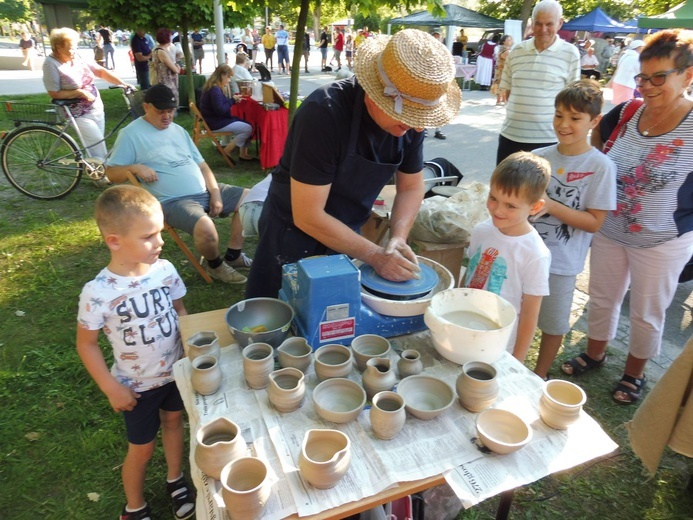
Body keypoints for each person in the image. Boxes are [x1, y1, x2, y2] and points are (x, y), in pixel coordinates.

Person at [245, 29, 461, 298]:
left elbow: (411, 186)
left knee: (335, 316)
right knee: (282, 313)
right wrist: (374, 254)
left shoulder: (411, 126)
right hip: (291, 231)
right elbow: (308, 215)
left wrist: (397, 238)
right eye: (407, 114)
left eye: (422, 116)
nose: (417, 126)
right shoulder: (324, 113)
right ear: (374, 95)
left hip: (347, 233)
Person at [561, 30, 693, 405]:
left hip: (663, 240)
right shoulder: (625, 112)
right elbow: (597, 157)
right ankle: (595, 352)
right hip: (610, 229)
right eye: (642, 77)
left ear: (688, 76)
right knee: (603, 298)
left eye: (658, 78)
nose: (648, 87)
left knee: (647, 312)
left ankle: (634, 374)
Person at [76, 185, 196, 520]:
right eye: (148, 236)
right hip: (136, 388)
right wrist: (112, 388)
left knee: (174, 423)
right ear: (114, 240)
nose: (160, 242)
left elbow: (181, 312)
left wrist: (189, 351)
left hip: (175, 374)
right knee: (141, 450)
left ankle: (176, 479)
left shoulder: (165, 271)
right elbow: (86, 344)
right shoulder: (98, 292)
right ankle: (134, 506)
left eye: (160, 232)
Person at [105, 84, 252, 283]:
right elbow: (111, 173)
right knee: (206, 227)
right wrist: (135, 167)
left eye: (171, 111)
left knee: (252, 199)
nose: (167, 116)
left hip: (205, 192)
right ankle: (215, 265)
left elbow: (203, 166)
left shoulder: (177, 130)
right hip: (173, 201)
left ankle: (233, 256)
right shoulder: (130, 134)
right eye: (161, 111)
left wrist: (215, 193)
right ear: (146, 107)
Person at [531, 79, 617, 380]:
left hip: (562, 263)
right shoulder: (539, 156)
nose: (563, 124)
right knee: (516, 313)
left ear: (594, 121)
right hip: (527, 254)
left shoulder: (601, 166)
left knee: (553, 323)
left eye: (574, 118)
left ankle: (539, 375)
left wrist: (552, 206)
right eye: (558, 115)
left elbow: (595, 222)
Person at [460, 152, 551, 362]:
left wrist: (517, 360)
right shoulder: (481, 230)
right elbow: (470, 274)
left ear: (535, 207)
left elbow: (530, 315)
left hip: (499, 343)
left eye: (510, 205)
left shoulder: (535, 254)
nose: (497, 210)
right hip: (465, 324)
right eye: (493, 198)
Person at [496, 0, 580, 164]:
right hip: (511, 135)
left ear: (560, 23)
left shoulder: (570, 54)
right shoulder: (517, 51)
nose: (543, 30)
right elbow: (507, 91)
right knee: (504, 189)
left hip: (548, 140)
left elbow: (572, 100)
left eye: (549, 24)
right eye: (538, 24)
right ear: (532, 23)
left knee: (542, 190)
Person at [43, 27, 132, 162]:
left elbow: (100, 71)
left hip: (95, 106)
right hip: (75, 111)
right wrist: (79, 92)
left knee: (95, 143)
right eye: (71, 48)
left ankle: (96, 172)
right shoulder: (50, 64)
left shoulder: (77, 56)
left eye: (75, 47)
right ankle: (105, 173)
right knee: (96, 142)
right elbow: (54, 93)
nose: (74, 51)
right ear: (58, 48)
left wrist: (123, 84)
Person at [151, 28, 181, 107]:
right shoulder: (162, 52)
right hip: (167, 85)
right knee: (169, 108)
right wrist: (178, 66)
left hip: (161, 83)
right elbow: (175, 70)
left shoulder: (156, 50)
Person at [611, 39, 645, 105]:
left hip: (618, 82)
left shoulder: (626, 55)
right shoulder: (635, 58)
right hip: (626, 84)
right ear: (639, 47)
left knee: (619, 105)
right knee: (624, 106)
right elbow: (640, 72)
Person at [490, 35, 513, 106]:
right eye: (508, 40)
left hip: (504, 69)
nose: (511, 41)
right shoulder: (504, 49)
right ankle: (499, 100)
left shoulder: (507, 49)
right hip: (501, 69)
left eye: (511, 40)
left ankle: (503, 99)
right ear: (503, 42)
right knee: (500, 83)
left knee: (504, 83)